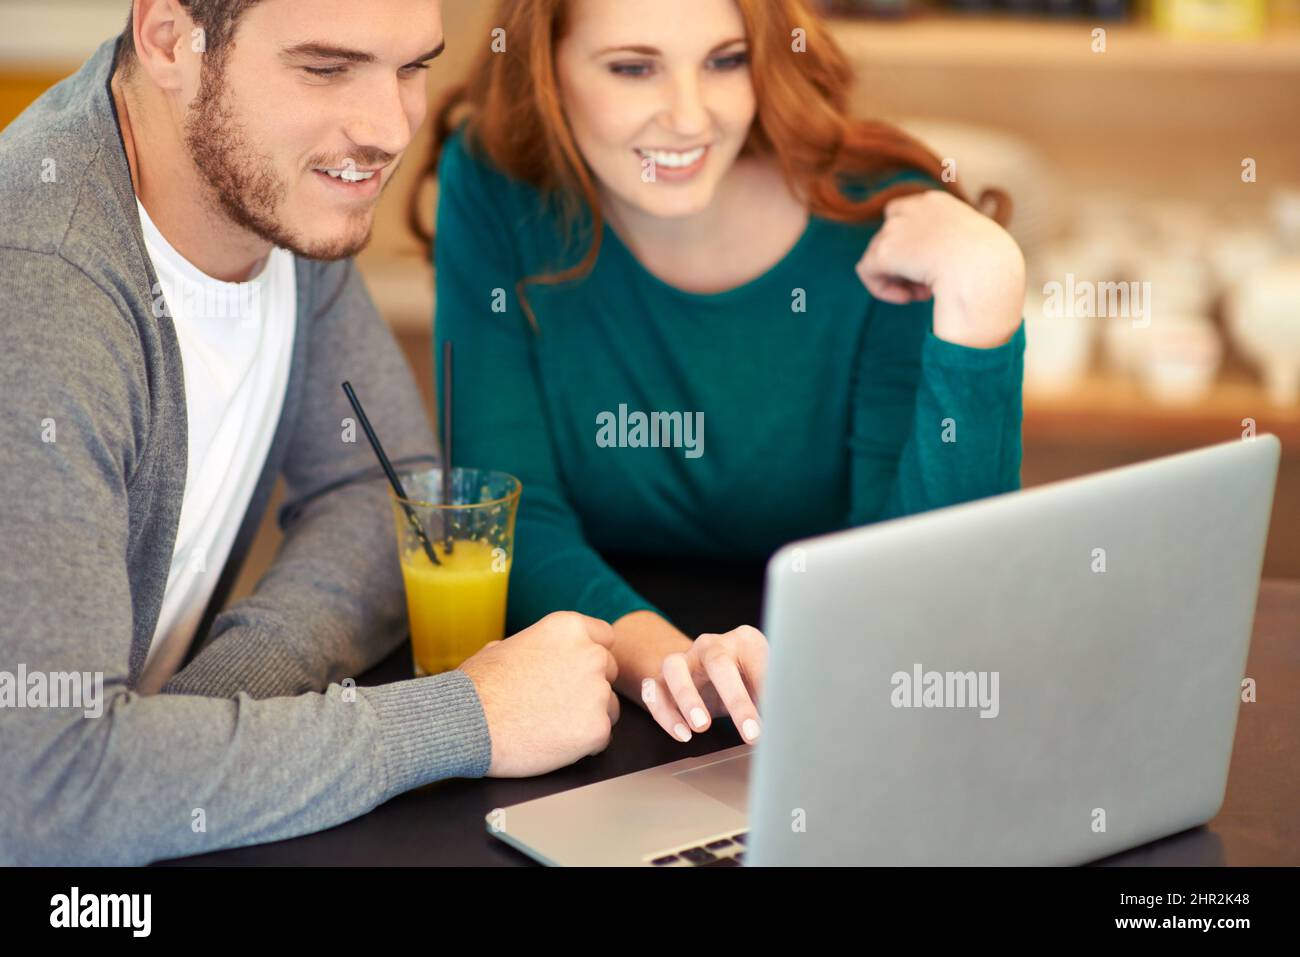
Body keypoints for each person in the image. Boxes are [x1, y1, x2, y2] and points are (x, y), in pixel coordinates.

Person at [0, 0, 619, 866]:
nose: (386, 129)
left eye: (411, 68)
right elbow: (43, 789)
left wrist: (211, 704)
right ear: (169, 37)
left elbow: (382, 488)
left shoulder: (271, 194)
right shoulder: (44, 286)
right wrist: (464, 718)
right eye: (324, 69)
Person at [412, 0, 1027, 747]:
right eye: (634, 67)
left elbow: (930, 608)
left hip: (834, 690)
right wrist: (672, 665)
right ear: (546, 69)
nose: (689, 116)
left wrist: (987, 292)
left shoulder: (877, 218)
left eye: (725, 61)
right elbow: (513, 513)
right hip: (603, 684)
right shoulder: (493, 184)